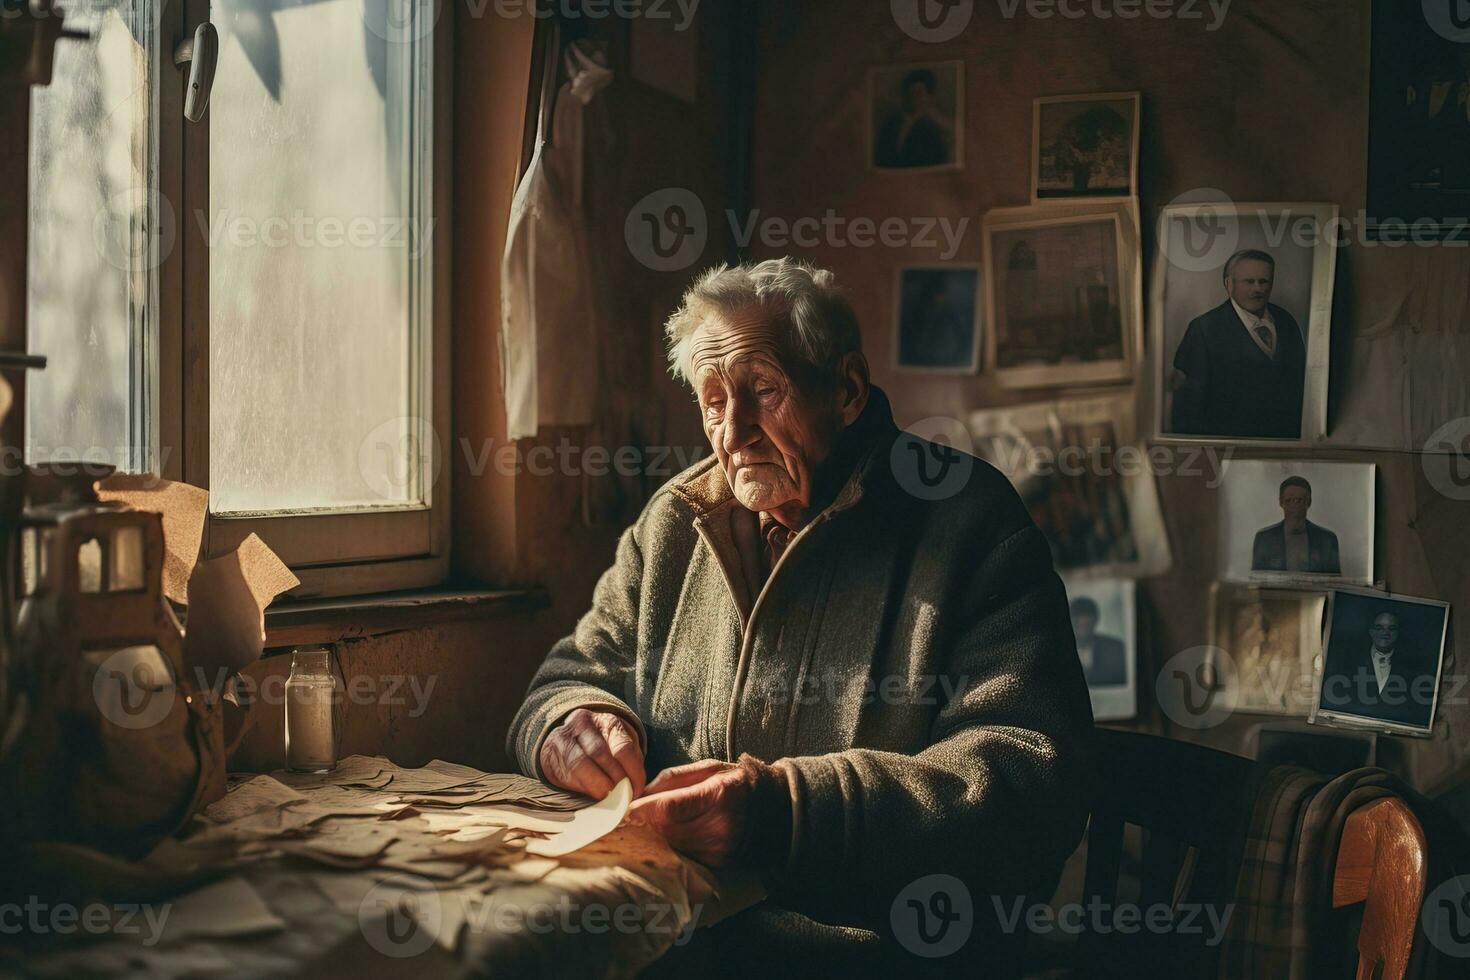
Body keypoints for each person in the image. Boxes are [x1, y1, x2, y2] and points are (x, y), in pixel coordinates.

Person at [508, 259, 1093, 975]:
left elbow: (1031, 784)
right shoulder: (675, 523)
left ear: (845, 390)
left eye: (763, 392)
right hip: (671, 946)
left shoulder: (969, 523)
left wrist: (784, 817)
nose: (736, 432)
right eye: (714, 400)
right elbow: (572, 673)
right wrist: (570, 721)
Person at [1169, 249, 1306, 439]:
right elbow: (1189, 407)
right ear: (1229, 284)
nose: (1258, 289)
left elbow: (1300, 385)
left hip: (1286, 442)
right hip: (1231, 445)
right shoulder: (1203, 329)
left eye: (1264, 281)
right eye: (1249, 281)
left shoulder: (1286, 321)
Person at [1320, 611, 1435, 729]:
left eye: (1392, 628)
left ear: (1398, 633)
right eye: (1379, 628)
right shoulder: (1348, 663)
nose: (1385, 633)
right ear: (1371, 632)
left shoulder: (1412, 667)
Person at [1251, 476, 1341, 574]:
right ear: (1281, 502)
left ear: (1309, 502)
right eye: (1289, 500)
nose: (1294, 506)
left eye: (1299, 500)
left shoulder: (1327, 540)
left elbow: (1334, 583)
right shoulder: (1265, 539)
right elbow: (1258, 582)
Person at [874, 69, 952, 169]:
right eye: (909, 93)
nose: (913, 98)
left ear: (929, 98)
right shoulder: (890, 124)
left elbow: (938, 164)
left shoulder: (933, 130)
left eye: (918, 93)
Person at [1068, 596, 1127, 686]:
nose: (1083, 622)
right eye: (1077, 617)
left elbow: (1118, 680)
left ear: (1096, 620)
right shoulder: (1057, 649)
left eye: (1087, 617)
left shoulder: (1114, 648)